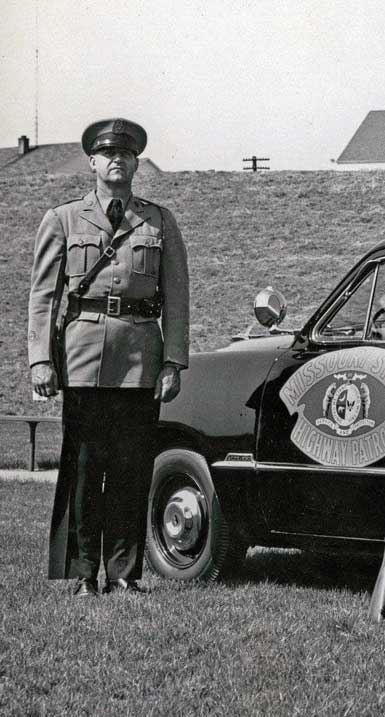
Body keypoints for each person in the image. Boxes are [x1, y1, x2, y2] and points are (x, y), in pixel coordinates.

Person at [27, 118, 189, 598]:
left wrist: (173, 361)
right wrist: (41, 359)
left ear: (137, 163)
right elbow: (42, 296)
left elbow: (176, 298)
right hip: (82, 361)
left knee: (131, 469)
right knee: (82, 468)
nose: (117, 160)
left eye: (126, 154)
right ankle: (82, 573)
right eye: (107, 154)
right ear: (93, 163)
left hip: (140, 360)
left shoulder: (159, 221)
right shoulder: (64, 219)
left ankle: (123, 572)